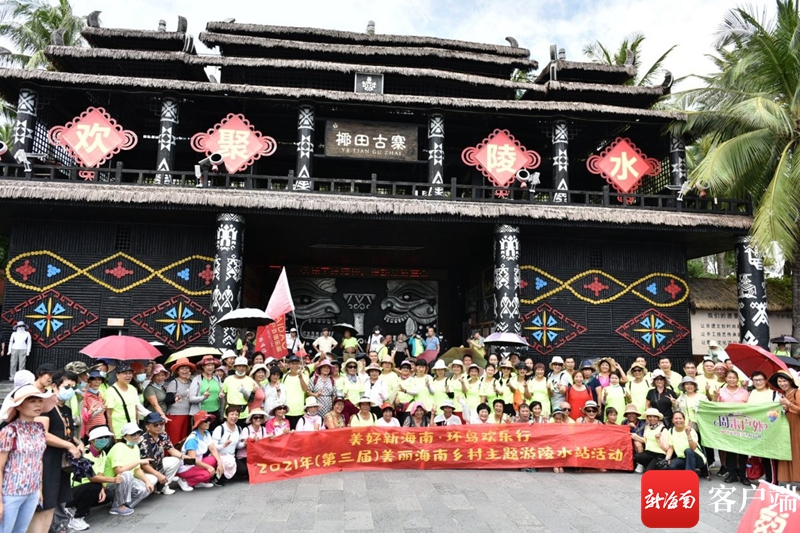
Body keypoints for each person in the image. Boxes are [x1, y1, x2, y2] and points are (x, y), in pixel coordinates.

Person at [0, 384, 53, 533]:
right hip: (10, 492)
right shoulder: (9, 431)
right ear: (18, 406)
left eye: (40, 400)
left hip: (32, 490)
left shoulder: (39, 428)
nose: (38, 404)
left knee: (21, 530)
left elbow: (39, 459)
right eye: (32, 401)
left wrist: (39, 489)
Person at [67, 426, 114, 531]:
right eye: (100, 437)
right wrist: (113, 480)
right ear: (92, 440)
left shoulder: (102, 453)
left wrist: (102, 489)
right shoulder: (84, 453)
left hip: (87, 488)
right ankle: (77, 518)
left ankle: (76, 508)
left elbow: (100, 473)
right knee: (94, 487)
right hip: (72, 491)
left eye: (106, 437)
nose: (104, 439)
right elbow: (92, 478)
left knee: (108, 495)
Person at [105, 422, 154, 515]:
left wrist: (147, 481)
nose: (136, 436)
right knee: (127, 474)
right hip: (110, 483)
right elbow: (118, 471)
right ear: (124, 436)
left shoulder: (135, 447)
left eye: (138, 433)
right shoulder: (118, 447)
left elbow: (137, 470)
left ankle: (124, 505)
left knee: (145, 489)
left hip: (125, 482)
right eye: (133, 434)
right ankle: (117, 506)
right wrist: (138, 461)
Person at [717, 369, 750, 485]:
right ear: (725, 379)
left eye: (734, 378)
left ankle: (742, 474)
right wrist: (715, 396)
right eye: (729, 377)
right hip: (726, 425)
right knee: (729, 449)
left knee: (743, 450)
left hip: (742, 424)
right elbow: (715, 407)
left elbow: (751, 407)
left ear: (737, 379)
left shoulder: (744, 392)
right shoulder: (720, 391)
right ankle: (732, 474)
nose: (732, 380)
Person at [176, 411, 223, 491]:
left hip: (197, 461)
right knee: (207, 474)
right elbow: (192, 460)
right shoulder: (192, 439)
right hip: (186, 465)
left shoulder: (207, 433)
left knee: (214, 459)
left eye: (209, 420)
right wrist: (208, 467)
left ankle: (197, 481)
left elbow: (213, 448)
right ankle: (185, 480)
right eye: (205, 421)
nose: (208, 422)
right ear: (199, 423)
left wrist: (220, 462)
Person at [747, 371, 780, 484]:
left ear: (766, 380)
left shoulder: (774, 394)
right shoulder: (752, 393)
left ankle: (773, 480)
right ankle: (767, 477)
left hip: (770, 429)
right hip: (756, 428)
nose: (758, 382)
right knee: (762, 455)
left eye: (760, 379)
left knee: (770, 455)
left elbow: (778, 411)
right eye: (755, 380)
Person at [138, 412, 183, 495]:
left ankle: (163, 486)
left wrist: (183, 456)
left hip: (158, 465)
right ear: (147, 427)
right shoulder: (142, 440)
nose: (159, 426)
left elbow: (171, 449)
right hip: (146, 469)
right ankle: (153, 486)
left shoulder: (163, 435)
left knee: (176, 460)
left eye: (161, 424)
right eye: (155, 425)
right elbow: (144, 465)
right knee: (153, 479)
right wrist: (158, 475)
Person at [769, 370, 800, 485]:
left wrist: (789, 404)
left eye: (784, 381)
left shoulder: (797, 393)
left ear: (790, 381)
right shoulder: (783, 395)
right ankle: (792, 479)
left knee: (797, 452)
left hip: (797, 427)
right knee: (789, 452)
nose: (782, 383)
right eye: (779, 381)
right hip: (787, 427)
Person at [104, 363, 150, 439]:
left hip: (133, 430)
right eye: (125, 373)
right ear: (117, 375)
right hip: (119, 431)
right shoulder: (110, 391)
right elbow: (109, 414)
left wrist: (137, 424)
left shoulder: (133, 388)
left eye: (130, 373)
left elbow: (135, 407)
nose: (128, 376)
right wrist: (112, 432)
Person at [664, 411, 710, 479]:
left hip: (697, 458)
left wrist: (688, 434)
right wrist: (667, 459)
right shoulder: (671, 431)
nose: (678, 420)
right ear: (672, 420)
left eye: (680, 418)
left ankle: (689, 477)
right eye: (676, 418)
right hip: (682, 458)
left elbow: (693, 448)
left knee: (688, 451)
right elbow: (671, 448)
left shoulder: (691, 430)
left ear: (684, 420)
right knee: (671, 466)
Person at [165, 359, 195, 444]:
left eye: (187, 368)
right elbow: (168, 400)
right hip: (175, 415)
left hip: (187, 414)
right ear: (177, 371)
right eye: (182, 368)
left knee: (183, 439)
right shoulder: (174, 383)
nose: (184, 371)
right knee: (174, 439)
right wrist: (175, 399)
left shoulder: (191, 382)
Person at [210, 406, 241, 484]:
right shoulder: (220, 429)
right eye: (232, 414)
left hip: (231, 456)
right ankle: (217, 477)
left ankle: (225, 475)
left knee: (243, 471)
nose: (234, 417)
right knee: (220, 478)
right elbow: (213, 447)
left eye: (236, 414)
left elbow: (237, 445)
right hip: (219, 456)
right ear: (226, 415)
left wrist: (245, 443)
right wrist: (224, 445)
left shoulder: (239, 429)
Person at [222, 357, 257, 425]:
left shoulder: (250, 380)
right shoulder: (228, 379)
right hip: (229, 412)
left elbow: (250, 399)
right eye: (239, 366)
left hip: (243, 413)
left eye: (243, 366)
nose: (241, 368)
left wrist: (251, 392)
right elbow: (224, 397)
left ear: (246, 368)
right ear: (235, 367)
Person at [235, 408, 267, 480]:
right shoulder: (246, 430)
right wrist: (245, 443)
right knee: (244, 471)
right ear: (251, 419)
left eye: (260, 417)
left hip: (258, 456)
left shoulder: (264, 429)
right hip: (245, 456)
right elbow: (238, 446)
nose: (258, 419)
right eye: (255, 417)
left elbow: (266, 444)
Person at [633, 408, 667, 472]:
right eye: (650, 417)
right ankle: (652, 466)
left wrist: (658, 440)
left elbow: (667, 447)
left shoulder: (663, 429)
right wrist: (635, 436)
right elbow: (646, 440)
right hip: (649, 452)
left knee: (648, 472)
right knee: (637, 456)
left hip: (659, 454)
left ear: (658, 418)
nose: (652, 418)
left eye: (654, 417)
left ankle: (657, 467)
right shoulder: (647, 427)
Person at [81, 370, 108, 440]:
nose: (97, 382)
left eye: (99, 379)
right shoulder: (84, 396)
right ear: (89, 381)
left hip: (102, 429)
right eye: (94, 379)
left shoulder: (99, 394)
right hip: (91, 431)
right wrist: (99, 410)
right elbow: (84, 417)